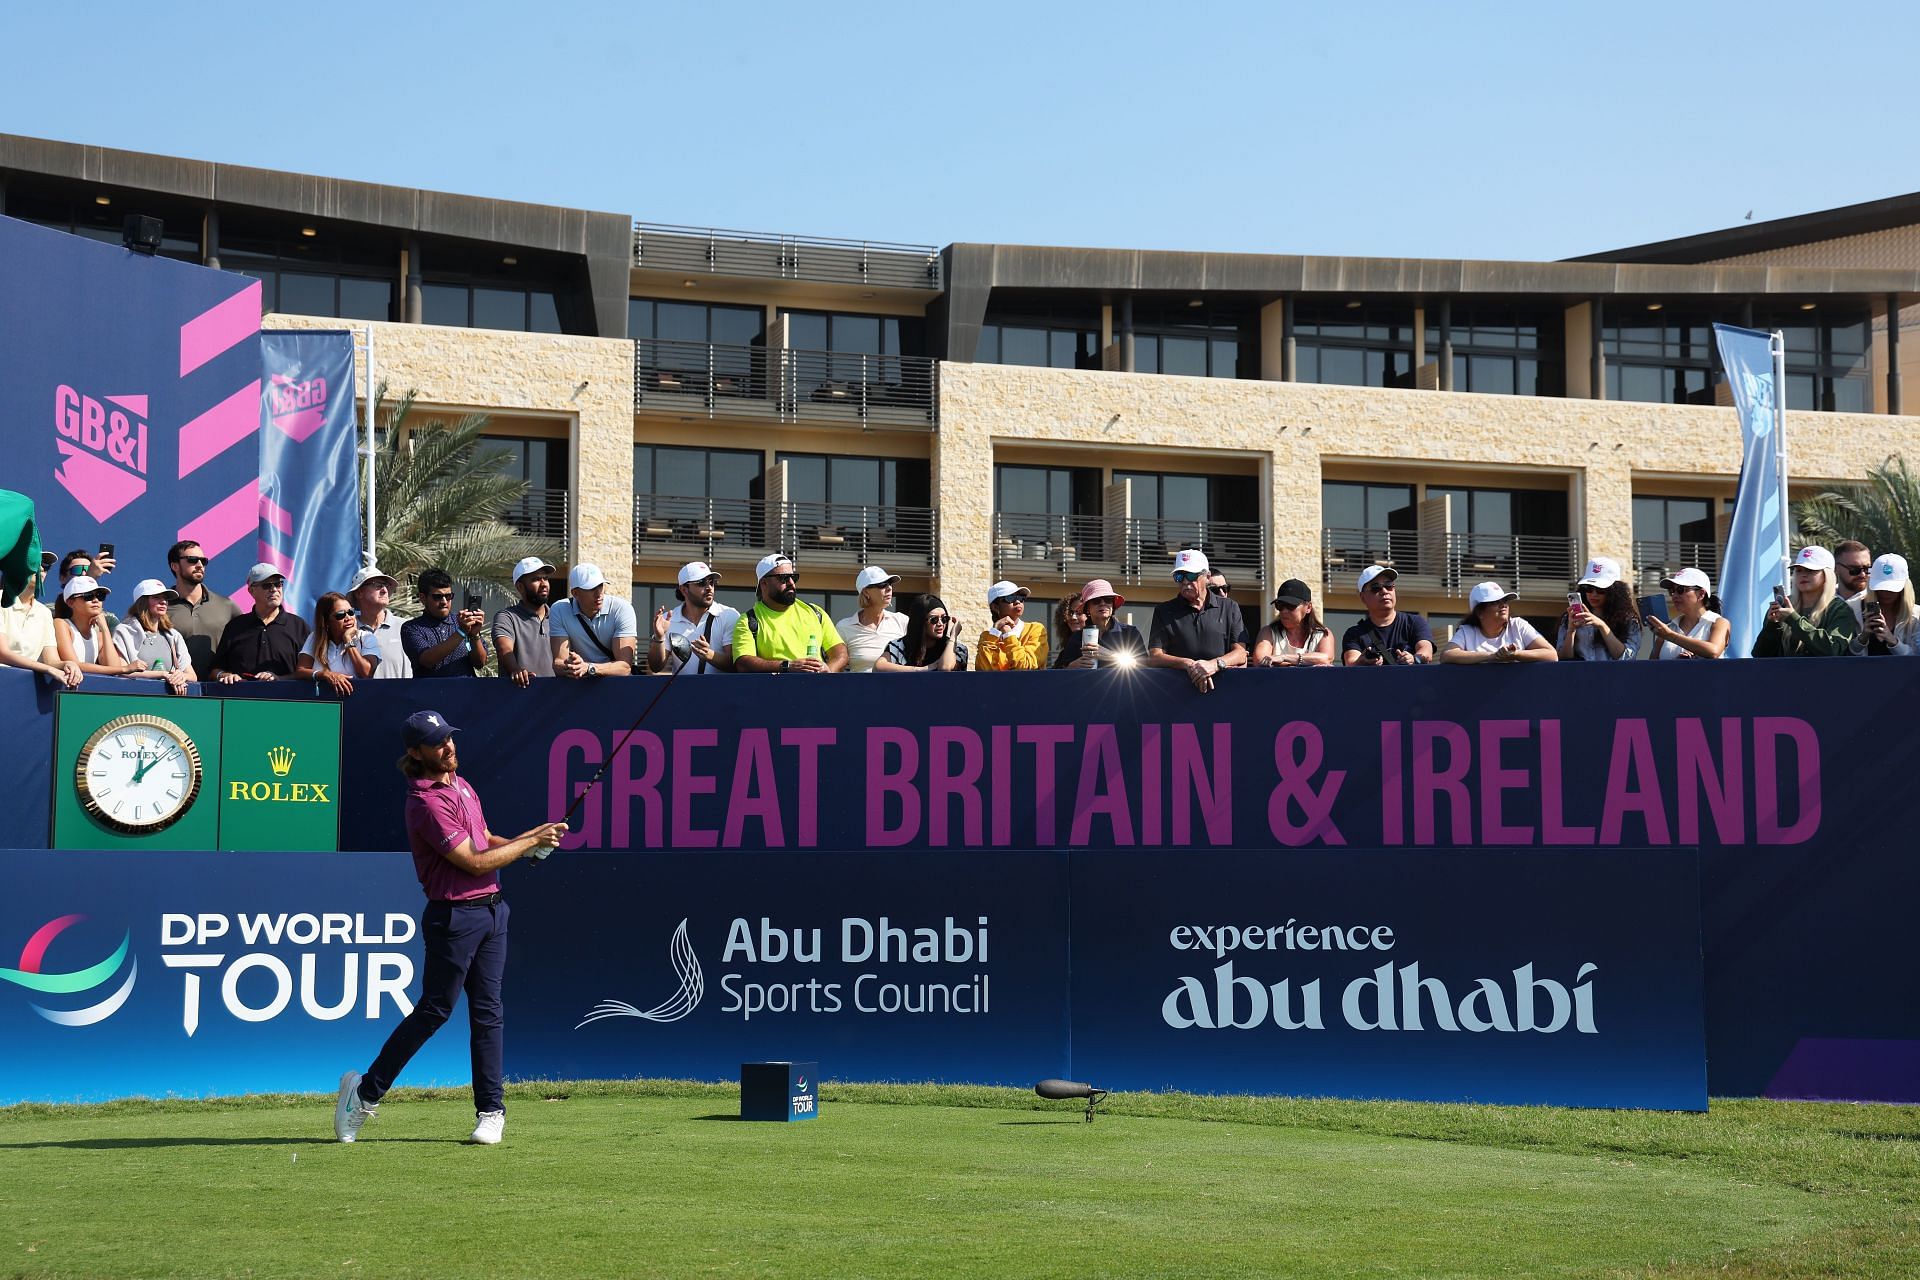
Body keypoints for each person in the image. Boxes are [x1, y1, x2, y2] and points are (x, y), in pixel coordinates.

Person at [333, 709, 568, 1147]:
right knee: (435, 1011)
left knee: (488, 1011)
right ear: (415, 753)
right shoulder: (423, 803)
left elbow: (485, 841)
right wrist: (528, 846)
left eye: (449, 738)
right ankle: (364, 1095)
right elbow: (473, 862)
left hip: (495, 913)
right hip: (454, 918)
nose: (449, 746)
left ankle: (491, 1112)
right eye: (438, 742)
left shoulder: (461, 784)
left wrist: (534, 837)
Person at [1148, 550, 1248, 692]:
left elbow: (1240, 653)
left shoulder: (1229, 607)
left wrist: (1213, 665)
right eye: (1179, 576)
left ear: (1207, 577)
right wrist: (1188, 664)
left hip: (1223, 690)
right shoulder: (1163, 611)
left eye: (1191, 575)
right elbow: (1155, 657)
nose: (1185, 582)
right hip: (1176, 692)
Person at [732, 554, 848, 673]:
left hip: (818, 689)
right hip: (777, 691)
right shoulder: (748, 621)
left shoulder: (815, 612)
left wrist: (829, 670)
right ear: (764, 584)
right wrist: (787, 666)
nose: (791, 583)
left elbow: (840, 653)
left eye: (793, 577)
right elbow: (743, 663)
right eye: (783, 578)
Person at [1752, 545, 1859, 657]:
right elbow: (1760, 656)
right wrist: (1772, 626)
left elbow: (1833, 649)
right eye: (1798, 570)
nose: (1803, 574)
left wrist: (1793, 619)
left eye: (1810, 570)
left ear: (1827, 575)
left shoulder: (1839, 609)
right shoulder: (1785, 606)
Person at [211, 564, 311, 682]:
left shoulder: (299, 626)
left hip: (287, 699)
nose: (274, 589)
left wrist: (279, 679)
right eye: (267, 585)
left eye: (278, 584)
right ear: (251, 591)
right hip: (242, 699)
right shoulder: (235, 626)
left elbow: (308, 672)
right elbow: (214, 670)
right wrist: (225, 675)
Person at [550, 563, 640, 678]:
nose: (599, 594)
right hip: (578, 685)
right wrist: (572, 666)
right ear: (575, 593)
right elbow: (558, 663)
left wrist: (589, 668)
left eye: (601, 586)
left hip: (615, 685)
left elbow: (624, 667)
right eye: (591, 588)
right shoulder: (559, 609)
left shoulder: (622, 608)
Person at [649, 560, 736, 675]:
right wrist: (659, 638)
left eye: (711, 582)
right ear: (684, 590)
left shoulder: (728, 615)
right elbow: (655, 667)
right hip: (683, 692)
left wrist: (709, 655)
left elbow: (736, 665)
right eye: (701, 583)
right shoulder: (668, 620)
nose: (709, 587)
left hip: (721, 691)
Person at [166, 540, 238, 676]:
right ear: (175, 566)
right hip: (175, 689)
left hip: (218, 690)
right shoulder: (162, 607)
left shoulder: (227, 606)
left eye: (203, 561)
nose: (199, 565)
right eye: (192, 560)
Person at [1439, 582, 1558, 664]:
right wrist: (1492, 656)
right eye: (1495, 602)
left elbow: (1551, 655)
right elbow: (1447, 655)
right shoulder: (1467, 631)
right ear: (1479, 613)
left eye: (1504, 600)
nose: (1503, 605)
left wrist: (1515, 654)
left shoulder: (1518, 625)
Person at [404, 568, 490, 679]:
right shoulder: (411, 628)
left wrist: (474, 635)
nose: (444, 601)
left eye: (448, 596)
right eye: (437, 597)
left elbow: (480, 663)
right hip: (429, 694)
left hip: (465, 693)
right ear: (423, 598)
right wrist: (461, 632)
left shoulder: (461, 621)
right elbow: (428, 660)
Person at [112, 579, 195, 693]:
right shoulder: (123, 632)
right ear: (142, 602)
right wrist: (162, 674)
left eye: (165, 598)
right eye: (156, 597)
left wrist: (181, 677)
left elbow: (192, 676)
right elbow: (121, 671)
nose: (163, 602)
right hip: (134, 698)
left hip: (169, 701)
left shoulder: (174, 635)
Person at [0, 568, 81, 686]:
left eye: (46, 565)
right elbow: (2, 653)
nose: (42, 569)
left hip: (24, 686)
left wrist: (67, 664)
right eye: (35, 562)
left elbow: (51, 660)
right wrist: (46, 669)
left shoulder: (44, 612)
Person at [1341, 565, 1435, 667]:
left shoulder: (1414, 622)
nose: (1384, 591)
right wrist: (1362, 662)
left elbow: (1426, 652)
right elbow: (1350, 663)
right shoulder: (1354, 634)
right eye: (1375, 588)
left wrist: (1414, 659)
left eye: (1389, 585)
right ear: (1363, 597)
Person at [1556, 556, 1642, 662]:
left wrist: (1602, 626)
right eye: (1589, 588)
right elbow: (1562, 658)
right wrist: (1571, 631)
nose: (1594, 594)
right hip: (1579, 676)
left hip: (1614, 676)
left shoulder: (1628, 619)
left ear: (1614, 591)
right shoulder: (1569, 617)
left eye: (1601, 590)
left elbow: (1627, 657)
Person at [298, 590, 380, 695]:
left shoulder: (366, 637)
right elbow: (300, 671)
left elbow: (366, 673)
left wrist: (347, 639)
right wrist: (326, 674)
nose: (348, 618)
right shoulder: (314, 638)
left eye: (351, 612)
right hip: (324, 703)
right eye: (340, 615)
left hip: (358, 702)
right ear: (326, 621)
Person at [1054, 578, 1146, 669]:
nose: (1103, 603)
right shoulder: (1076, 638)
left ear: (1113, 605)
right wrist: (1070, 667)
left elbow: (1144, 666)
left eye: (1108, 599)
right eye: (1096, 600)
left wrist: (1111, 656)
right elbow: (1058, 675)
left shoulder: (1129, 633)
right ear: (1087, 608)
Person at [494, 556, 556, 686]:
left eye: (545, 578)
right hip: (520, 697)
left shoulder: (558, 616)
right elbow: (504, 649)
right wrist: (516, 670)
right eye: (536, 579)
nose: (544, 583)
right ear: (520, 587)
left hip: (556, 697)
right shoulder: (507, 617)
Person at [1643, 567, 1729, 660]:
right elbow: (1652, 666)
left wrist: (1669, 635)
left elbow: (1714, 651)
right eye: (1672, 591)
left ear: (1701, 594)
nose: (1674, 595)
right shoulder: (1668, 627)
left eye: (1680, 590)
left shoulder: (1718, 622)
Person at [55, 576, 135, 676]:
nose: (96, 600)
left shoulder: (100, 637)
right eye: (88, 596)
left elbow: (114, 668)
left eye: (100, 596)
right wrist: (124, 669)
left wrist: (105, 629)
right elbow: (73, 665)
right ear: (70, 602)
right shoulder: (61, 624)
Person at [837, 566, 908, 673]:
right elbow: (838, 668)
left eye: (890, 584)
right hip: (860, 689)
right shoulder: (844, 627)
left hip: (896, 688)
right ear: (866, 592)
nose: (889, 588)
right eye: (882, 585)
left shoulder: (902, 621)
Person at [1250, 579, 1334, 667]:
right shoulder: (1268, 632)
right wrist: (1308, 662)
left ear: (1308, 607)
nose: (1284, 611)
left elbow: (1326, 658)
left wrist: (1283, 657)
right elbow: (1260, 660)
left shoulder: (1322, 634)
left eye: (1291, 605)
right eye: (1280, 605)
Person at [348, 565, 411, 680]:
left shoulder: (406, 627)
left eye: (386, 586)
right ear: (359, 593)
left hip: (401, 698)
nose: (385, 590)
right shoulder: (346, 630)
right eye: (378, 585)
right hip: (360, 698)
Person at [881, 592, 969, 671]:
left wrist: (953, 636)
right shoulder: (899, 646)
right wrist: (921, 670)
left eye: (944, 619)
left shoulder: (957, 649)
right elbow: (879, 667)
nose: (940, 623)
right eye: (934, 619)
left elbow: (945, 668)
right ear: (919, 621)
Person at [1851, 553, 1918, 656]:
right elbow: (1842, 655)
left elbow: (1916, 657)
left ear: (1905, 587)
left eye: (1892, 589)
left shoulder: (1916, 616)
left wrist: (1892, 641)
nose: (1886, 593)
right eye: (1880, 588)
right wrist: (1862, 638)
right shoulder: (1853, 609)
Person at [976, 580, 1049, 671]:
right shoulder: (988, 637)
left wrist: (1008, 635)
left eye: (1021, 597)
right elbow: (984, 670)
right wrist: (994, 631)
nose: (1018, 601)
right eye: (1010, 598)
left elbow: (1025, 666)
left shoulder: (1036, 629)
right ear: (995, 607)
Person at [1835, 539, 1873, 628]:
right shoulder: (1824, 599)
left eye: (1867, 568)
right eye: (1854, 569)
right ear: (1836, 568)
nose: (1862, 574)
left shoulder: (1881, 599)